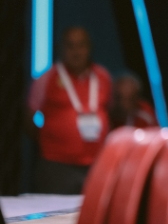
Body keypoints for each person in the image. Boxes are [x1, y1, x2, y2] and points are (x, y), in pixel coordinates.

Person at [26, 27, 112, 194]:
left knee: (91, 216)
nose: (76, 51)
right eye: (70, 46)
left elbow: (109, 113)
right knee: (54, 217)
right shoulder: (47, 78)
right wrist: (50, 140)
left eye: (81, 45)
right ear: (61, 49)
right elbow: (28, 118)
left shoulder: (103, 76)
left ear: (89, 48)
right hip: (57, 166)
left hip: (96, 163)